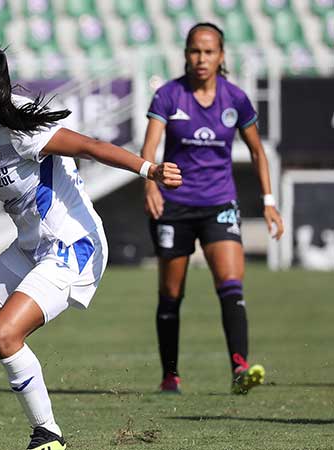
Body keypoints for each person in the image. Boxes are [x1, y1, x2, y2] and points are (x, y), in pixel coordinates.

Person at [0, 48, 182, 450]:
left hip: (72, 247)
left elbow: (89, 147)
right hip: (32, 246)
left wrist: (148, 169)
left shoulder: (21, 125)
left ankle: (48, 436)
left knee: (5, 333)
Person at [140, 22, 284, 395]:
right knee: (171, 295)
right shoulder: (169, 96)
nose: (201, 58)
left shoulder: (236, 99)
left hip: (219, 202)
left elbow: (257, 151)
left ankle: (239, 368)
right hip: (174, 206)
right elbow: (149, 149)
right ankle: (170, 375)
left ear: (221, 56)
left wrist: (269, 202)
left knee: (231, 284)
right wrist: (149, 183)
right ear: (186, 55)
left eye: (208, 51)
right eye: (194, 51)